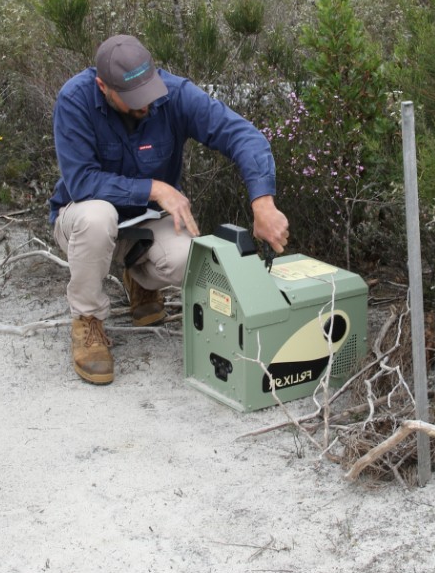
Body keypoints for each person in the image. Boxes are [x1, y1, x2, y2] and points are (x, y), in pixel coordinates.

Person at [50, 34, 290, 385]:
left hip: (147, 221)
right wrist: (155, 188)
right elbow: (82, 181)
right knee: (97, 217)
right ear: (103, 86)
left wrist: (263, 202)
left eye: (148, 94)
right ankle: (88, 321)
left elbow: (242, 135)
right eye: (132, 99)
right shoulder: (75, 99)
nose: (145, 106)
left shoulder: (174, 94)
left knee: (190, 260)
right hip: (82, 219)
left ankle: (141, 281)